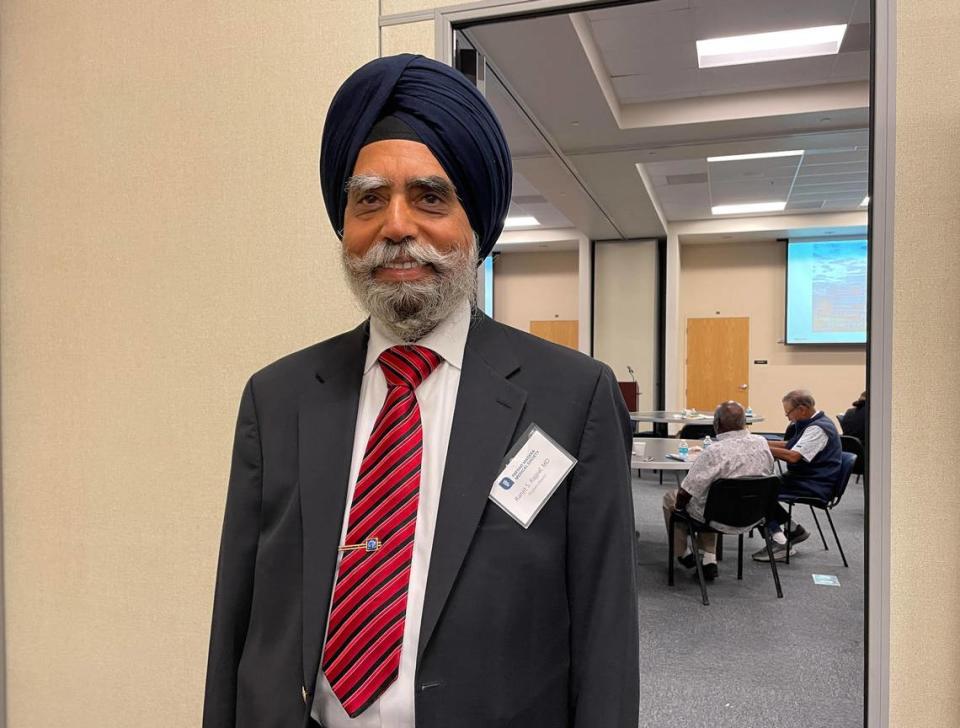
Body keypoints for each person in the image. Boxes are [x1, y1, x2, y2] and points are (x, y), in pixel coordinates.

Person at [203, 54, 639, 728]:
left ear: (477, 222)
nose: (396, 226)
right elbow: (236, 621)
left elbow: (606, 643)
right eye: (369, 199)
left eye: (430, 197)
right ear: (344, 222)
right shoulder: (278, 398)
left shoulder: (572, 399)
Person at [662, 401, 774, 580]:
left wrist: (679, 508)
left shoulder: (714, 452)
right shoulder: (762, 443)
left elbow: (686, 492)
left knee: (673, 498)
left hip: (717, 517)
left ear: (717, 424)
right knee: (714, 498)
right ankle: (708, 559)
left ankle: (683, 553)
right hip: (753, 515)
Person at [753, 389, 842, 562]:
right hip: (805, 478)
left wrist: (759, 447)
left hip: (814, 483)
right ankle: (792, 529)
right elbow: (791, 445)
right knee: (761, 485)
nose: (788, 418)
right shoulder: (812, 423)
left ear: (802, 409)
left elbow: (794, 456)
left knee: (756, 490)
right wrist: (757, 440)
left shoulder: (818, 429)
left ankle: (780, 543)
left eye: (788, 413)